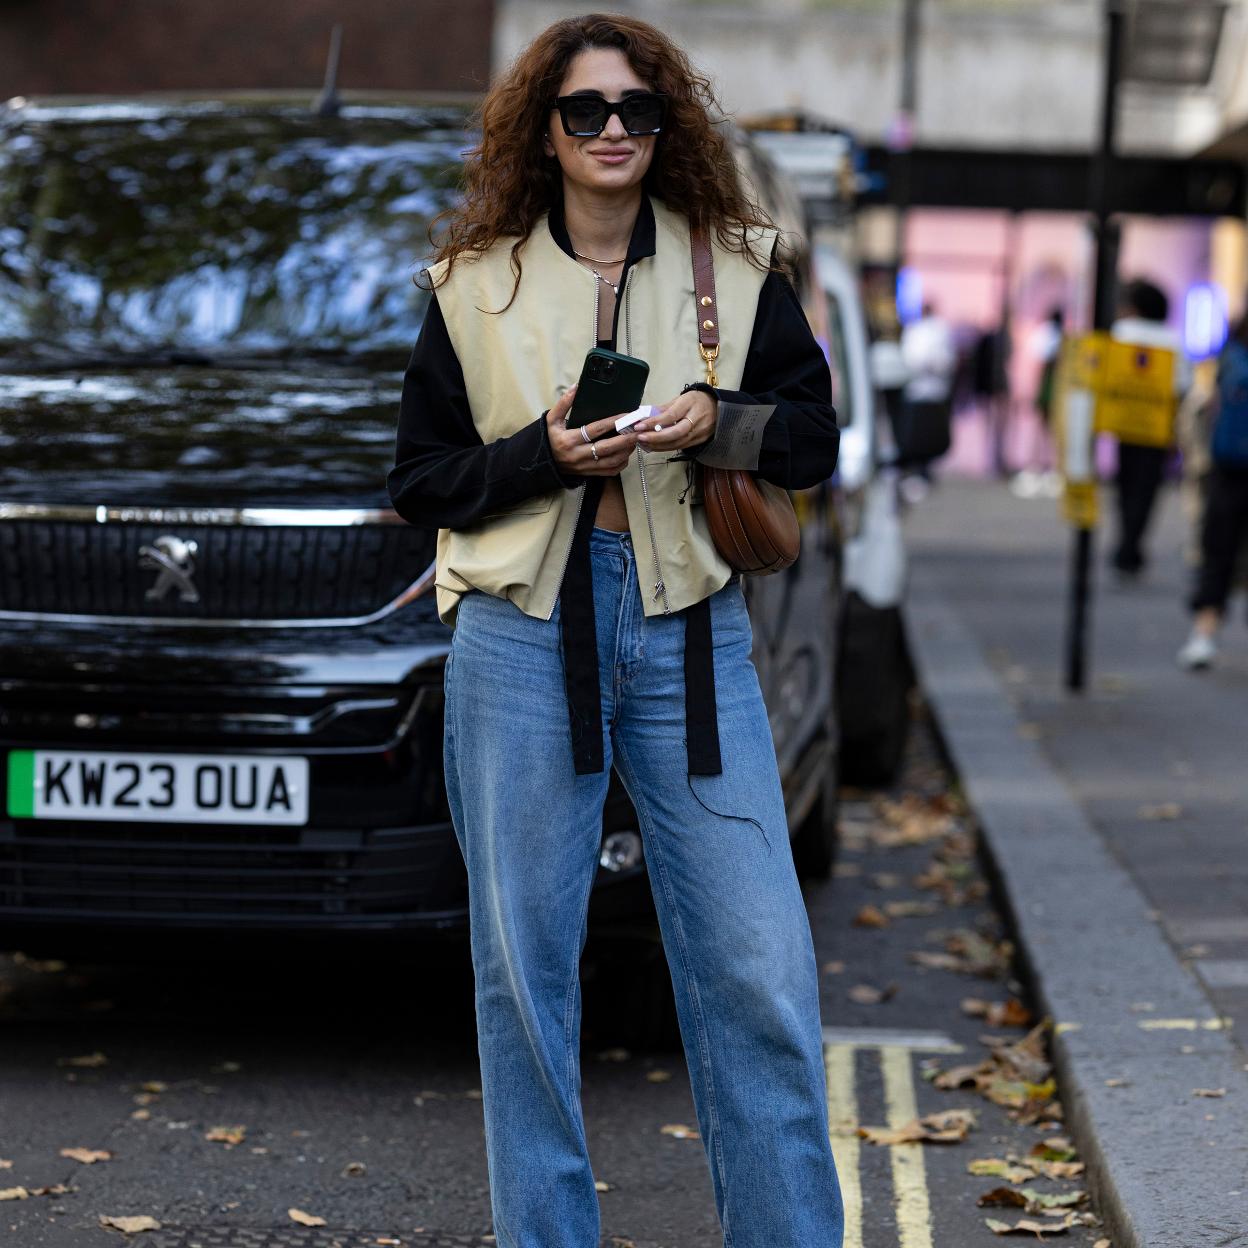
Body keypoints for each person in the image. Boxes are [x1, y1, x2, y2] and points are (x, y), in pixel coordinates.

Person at [387, 14, 844, 1246]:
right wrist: (543, 454)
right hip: (522, 642)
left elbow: (815, 440)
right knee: (525, 982)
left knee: (760, 969)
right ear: (545, 128)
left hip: (692, 641)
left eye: (635, 111)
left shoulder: (738, 269)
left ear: (666, 127)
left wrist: (716, 422)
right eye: (584, 111)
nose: (611, 132)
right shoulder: (473, 284)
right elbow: (421, 481)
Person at [1177, 314, 1248, 670]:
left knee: (1217, 553)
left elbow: (1207, 409)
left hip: (1228, 471)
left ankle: (1203, 634)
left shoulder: (1230, 352)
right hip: (1231, 468)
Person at [1109, 278, 1191, 579]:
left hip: (1124, 424)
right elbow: (1182, 387)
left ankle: (1125, 546)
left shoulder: (1121, 334)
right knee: (1145, 492)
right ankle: (1132, 547)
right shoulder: (1173, 340)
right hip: (1157, 429)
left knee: (1125, 487)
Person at [896, 300, 956, 498]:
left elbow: (947, 358)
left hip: (935, 391)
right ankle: (917, 470)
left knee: (931, 435)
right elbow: (910, 357)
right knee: (917, 435)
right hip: (917, 390)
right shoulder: (915, 330)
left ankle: (926, 470)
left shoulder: (941, 330)